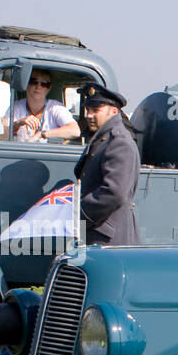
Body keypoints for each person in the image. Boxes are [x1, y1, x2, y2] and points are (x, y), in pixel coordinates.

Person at [73, 83, 140, 245]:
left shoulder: (119, 143)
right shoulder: (103, 139)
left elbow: (114, 193)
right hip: (100, 233)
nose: (89, 115)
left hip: (108, 238)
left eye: (96, 110)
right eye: (88, 110)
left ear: (114, 111)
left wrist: (79, 214)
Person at [11, 70, 81, 142]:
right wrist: (18, 123)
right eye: (34, 82)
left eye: (44, 84)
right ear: (26, 84)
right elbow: (3, 132)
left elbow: (75, 131)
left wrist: (41, 134)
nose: (38, 86)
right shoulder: (15, 107)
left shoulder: (56, 107)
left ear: (49, 88)